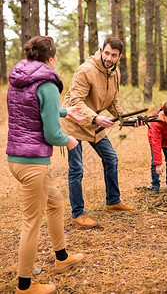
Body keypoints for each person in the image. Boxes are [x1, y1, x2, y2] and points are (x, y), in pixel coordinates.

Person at [6, 36, 85, 294]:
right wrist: (69, 139)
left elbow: (33, 109)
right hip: (33, 165)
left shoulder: (20, 77)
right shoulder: (48, 84)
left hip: (16, 160)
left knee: (57, 201)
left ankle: (62, 257)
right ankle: (25, 285)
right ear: (51, 58)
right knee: (31, 223)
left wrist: (65, 111)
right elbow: (52, 134)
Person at [61, 37, 142, 229]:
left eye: (114, 55)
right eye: (107, 53)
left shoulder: (115, 73)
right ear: (101, 50)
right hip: (74, 122)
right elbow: (76, 102)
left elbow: (113, 102)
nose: (109, 58)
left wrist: (127, 120)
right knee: (77, 169)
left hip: (93, 124)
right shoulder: (85, 70)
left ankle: (113, 201)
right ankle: (78, 214)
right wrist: (96, 118)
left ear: (119, 56)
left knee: (111, 158)